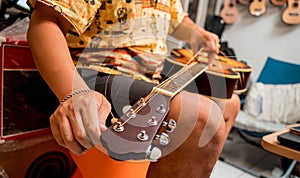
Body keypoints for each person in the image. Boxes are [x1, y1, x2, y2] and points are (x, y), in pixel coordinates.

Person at [26, 0, 240, 177]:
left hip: (146, 78)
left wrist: (197, 34)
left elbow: (174, 18)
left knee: (230, 103)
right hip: (96, 72)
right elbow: (46, 20)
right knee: (202, 117)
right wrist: (74, 93)